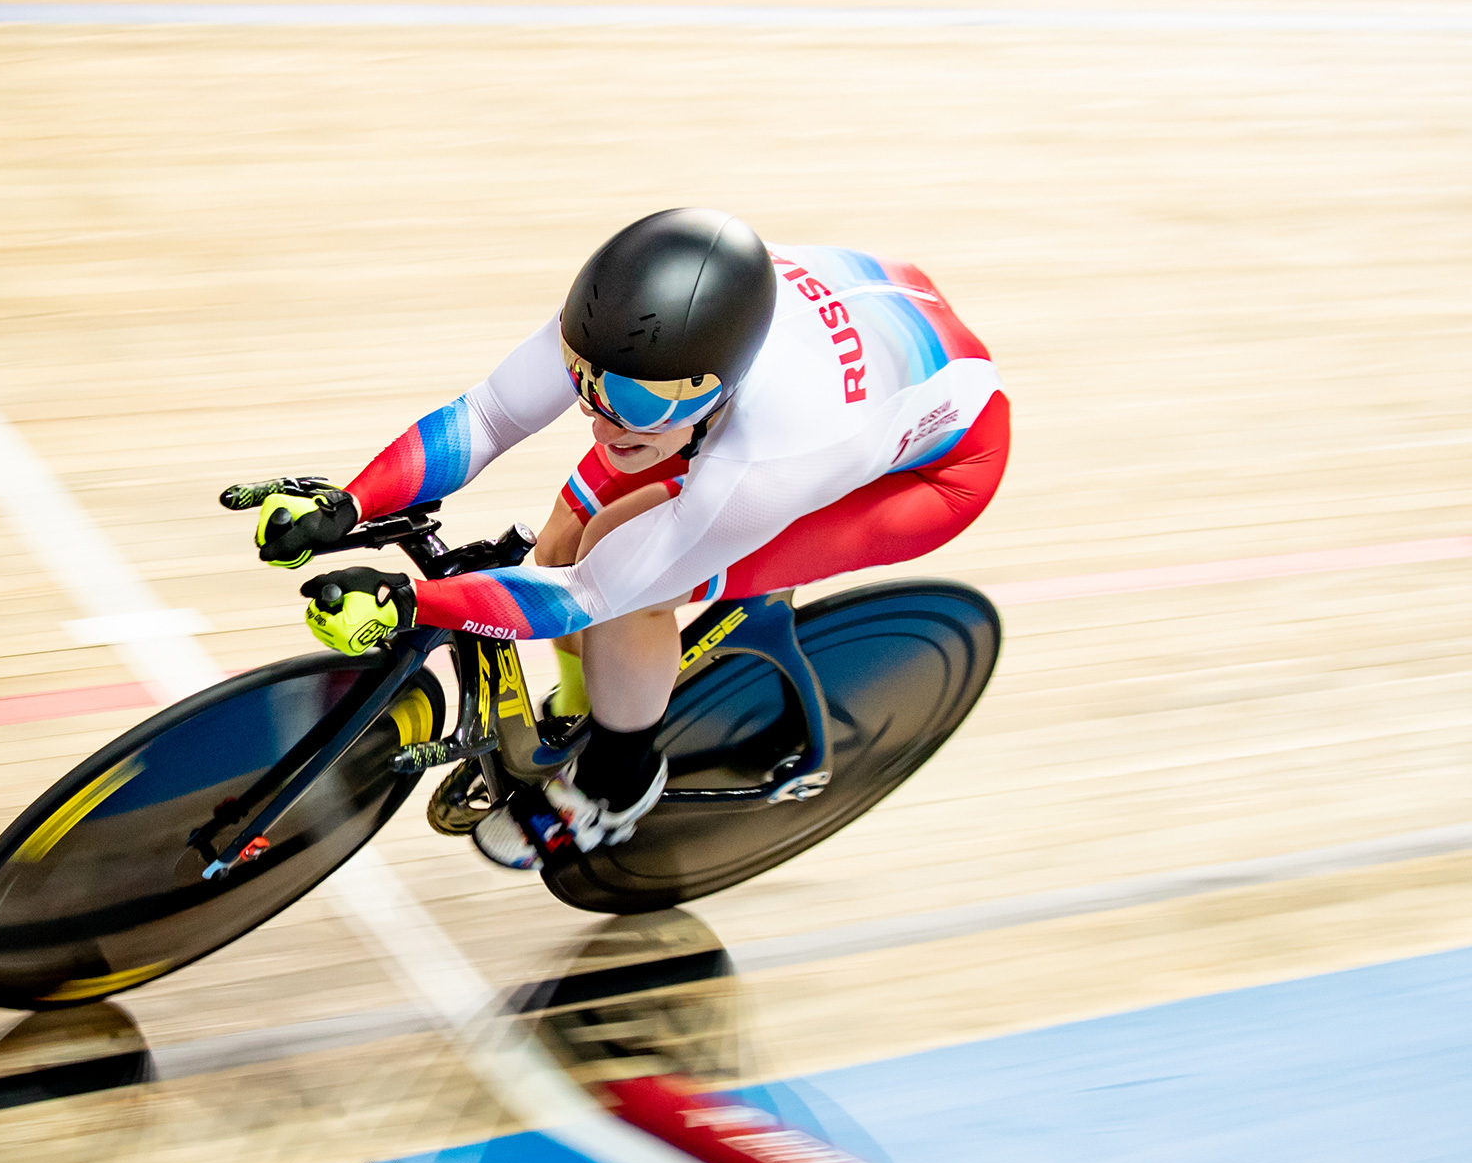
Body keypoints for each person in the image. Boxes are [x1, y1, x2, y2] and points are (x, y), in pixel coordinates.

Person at [242, 208, 1009, 870]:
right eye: (585, 378)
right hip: (857, 343)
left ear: (719, 383)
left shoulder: (780, 448)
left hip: (931, 472)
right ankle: (589, 704)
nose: (600, 417)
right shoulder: (631, 332)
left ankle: (615, 784)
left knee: (629, 590)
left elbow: (593, 595)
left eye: (637, 402)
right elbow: (488, 416)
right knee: (563, 537)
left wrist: (413, 601)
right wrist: (350, 501)